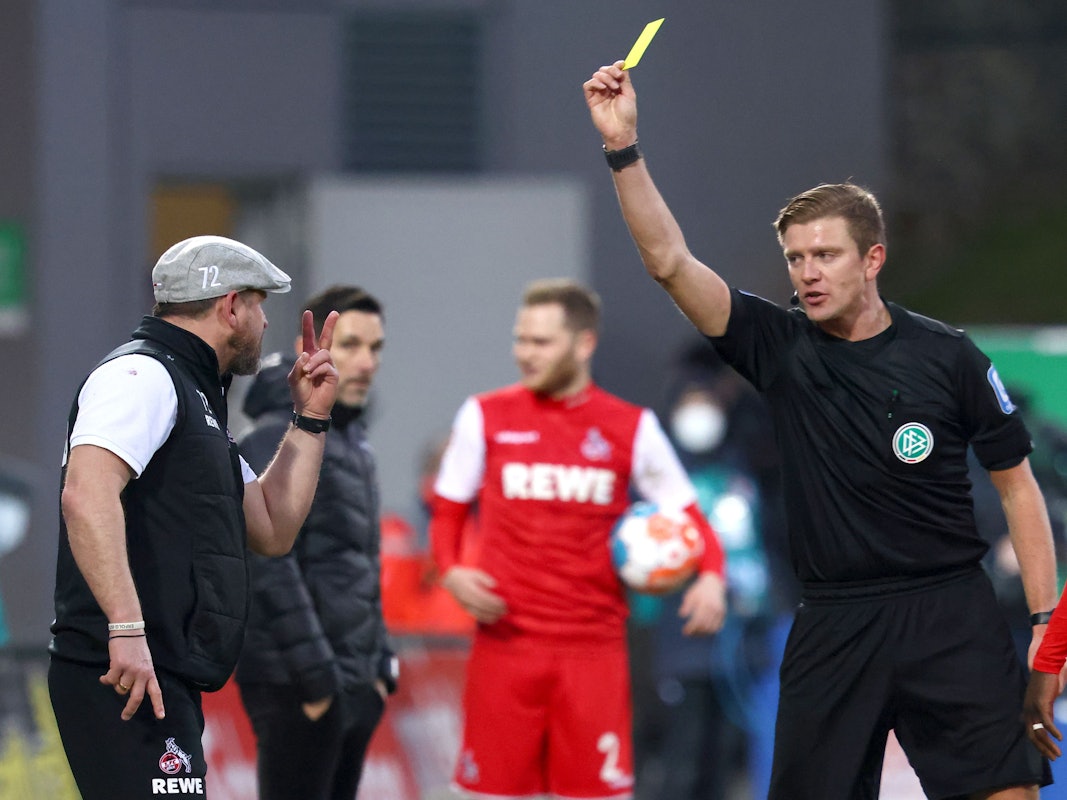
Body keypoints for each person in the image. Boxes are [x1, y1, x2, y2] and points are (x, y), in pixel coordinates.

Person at [583, 62, 1057, 799]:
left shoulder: (948, 356)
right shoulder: (777, 346)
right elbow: (667, 261)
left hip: (949, 614)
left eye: (824, 255)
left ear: (872, 259)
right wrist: (623, 150)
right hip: (835, 622)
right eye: (795, 258)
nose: (806, 273)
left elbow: (1018, 490)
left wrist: (1041, 623)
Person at [49, 235, 338, 800]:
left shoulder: (194, 397)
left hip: (155, 674)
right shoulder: (142, 377)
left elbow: (273, 527)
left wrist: (309, 420)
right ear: (231, 307)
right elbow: (85, 494)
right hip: (121, 670)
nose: (263, 322)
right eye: (259, 305)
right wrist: (127, 628)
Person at [429, 278, 728, 800]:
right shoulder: (485, 416)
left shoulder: (631, 427)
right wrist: (452, 570)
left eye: (541, 342)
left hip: (593, 653)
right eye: (521, 339)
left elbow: (689, 516)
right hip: (506, 647)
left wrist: (711, 577)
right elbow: (447, 510)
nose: (524, 353)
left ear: (583, 343)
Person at [234, 285, 397, 800]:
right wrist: (317, 682)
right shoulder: (275, 438)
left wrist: (377, 670)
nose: (366, 362)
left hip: (347, 685)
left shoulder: (353, 444)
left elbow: (356, 569)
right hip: (298, 687)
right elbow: (267, 567)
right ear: (312, 348)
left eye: (375, 348)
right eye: (349, 345)